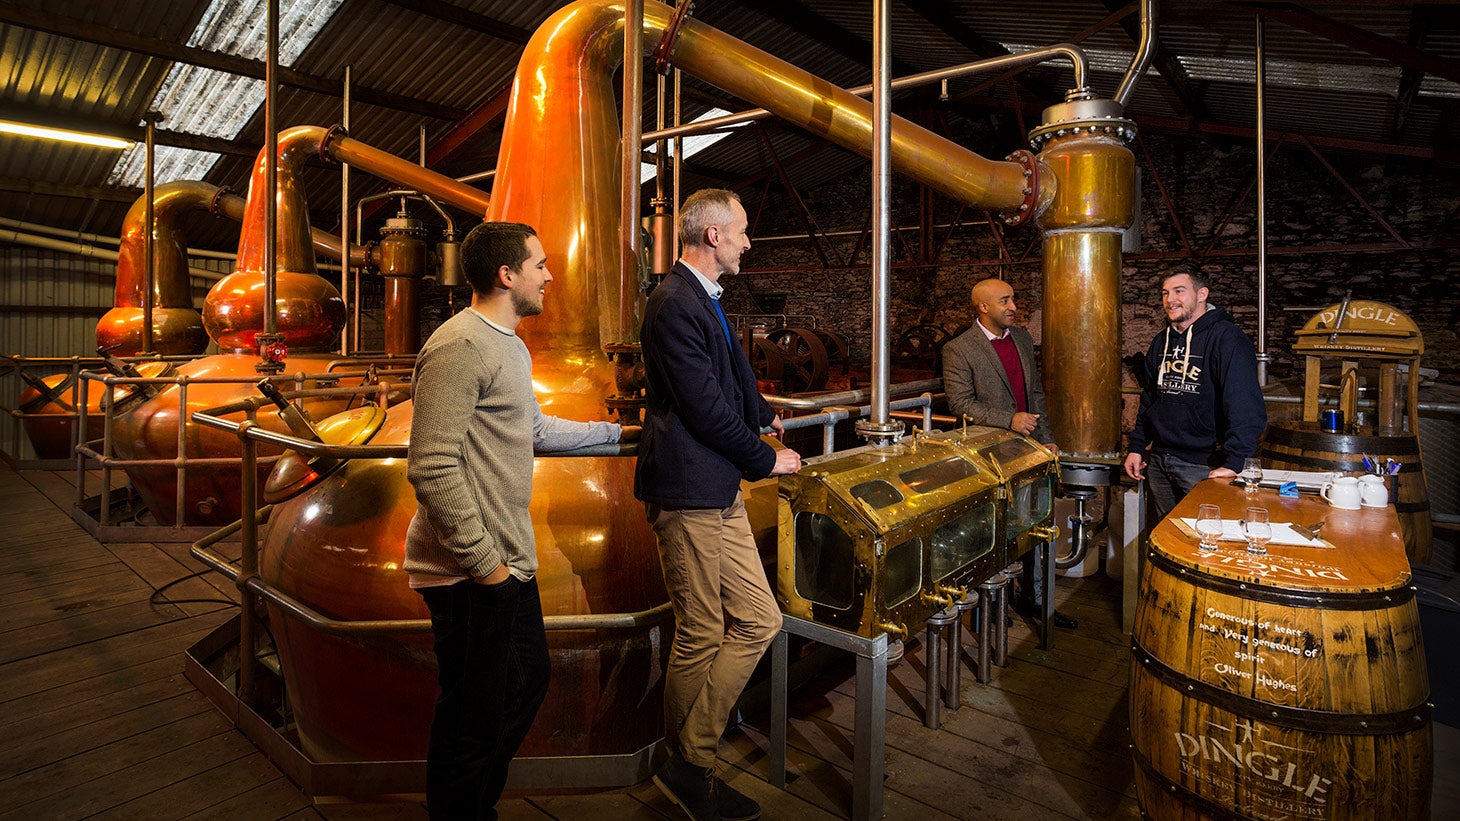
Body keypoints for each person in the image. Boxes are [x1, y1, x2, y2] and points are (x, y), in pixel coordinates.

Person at [405, 221, 637, 820]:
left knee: (520, 685)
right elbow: (431, 467)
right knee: (472, 711)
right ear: (507, 276)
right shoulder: (458, 346)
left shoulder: (508, 342)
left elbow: (533, 429)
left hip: (504, 560)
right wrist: (485, 566)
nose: (550, 275)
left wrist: (620, 436)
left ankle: (470, 807)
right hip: (469, 570)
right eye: (539, 264)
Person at [635, 188, 801, 821]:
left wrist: (763, 416)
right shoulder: (673, 302)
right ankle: (693, 767)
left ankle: (689, 761)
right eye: (742, 231)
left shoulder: (701, 299)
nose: (748, 242)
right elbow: (702, 407)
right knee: (703, 630)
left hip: (716, 487)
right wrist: (765, 457)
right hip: (690, 491)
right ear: (712, 237)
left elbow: (726, 382)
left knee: (759, 620)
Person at [942, 278, 1075, 630]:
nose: (1013, 306)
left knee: (1034, 524)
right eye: (1005, 301)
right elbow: (960, 403)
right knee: (994, 530)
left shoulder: (1021, 339)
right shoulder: (960, 349)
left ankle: (1034, 600)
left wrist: (1047, 439)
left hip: (1029, 451)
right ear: (983, 308)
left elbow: (1034, 393)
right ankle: (989, 609)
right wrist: (1009, 420)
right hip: (989, 456)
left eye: (1013, 299)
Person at [1123, 268, 1266, 520]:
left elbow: (1244, 404)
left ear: (1202, 294)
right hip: (1159, 460)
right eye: (1165, 293)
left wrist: (1235, 462)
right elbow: (1150, 400)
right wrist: (1137, 446)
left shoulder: (1227, 338)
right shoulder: (1161, 341)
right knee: (1165, 537)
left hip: (1203, 464)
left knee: (1205, 537)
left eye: (1179, 291)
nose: (1170, 300)